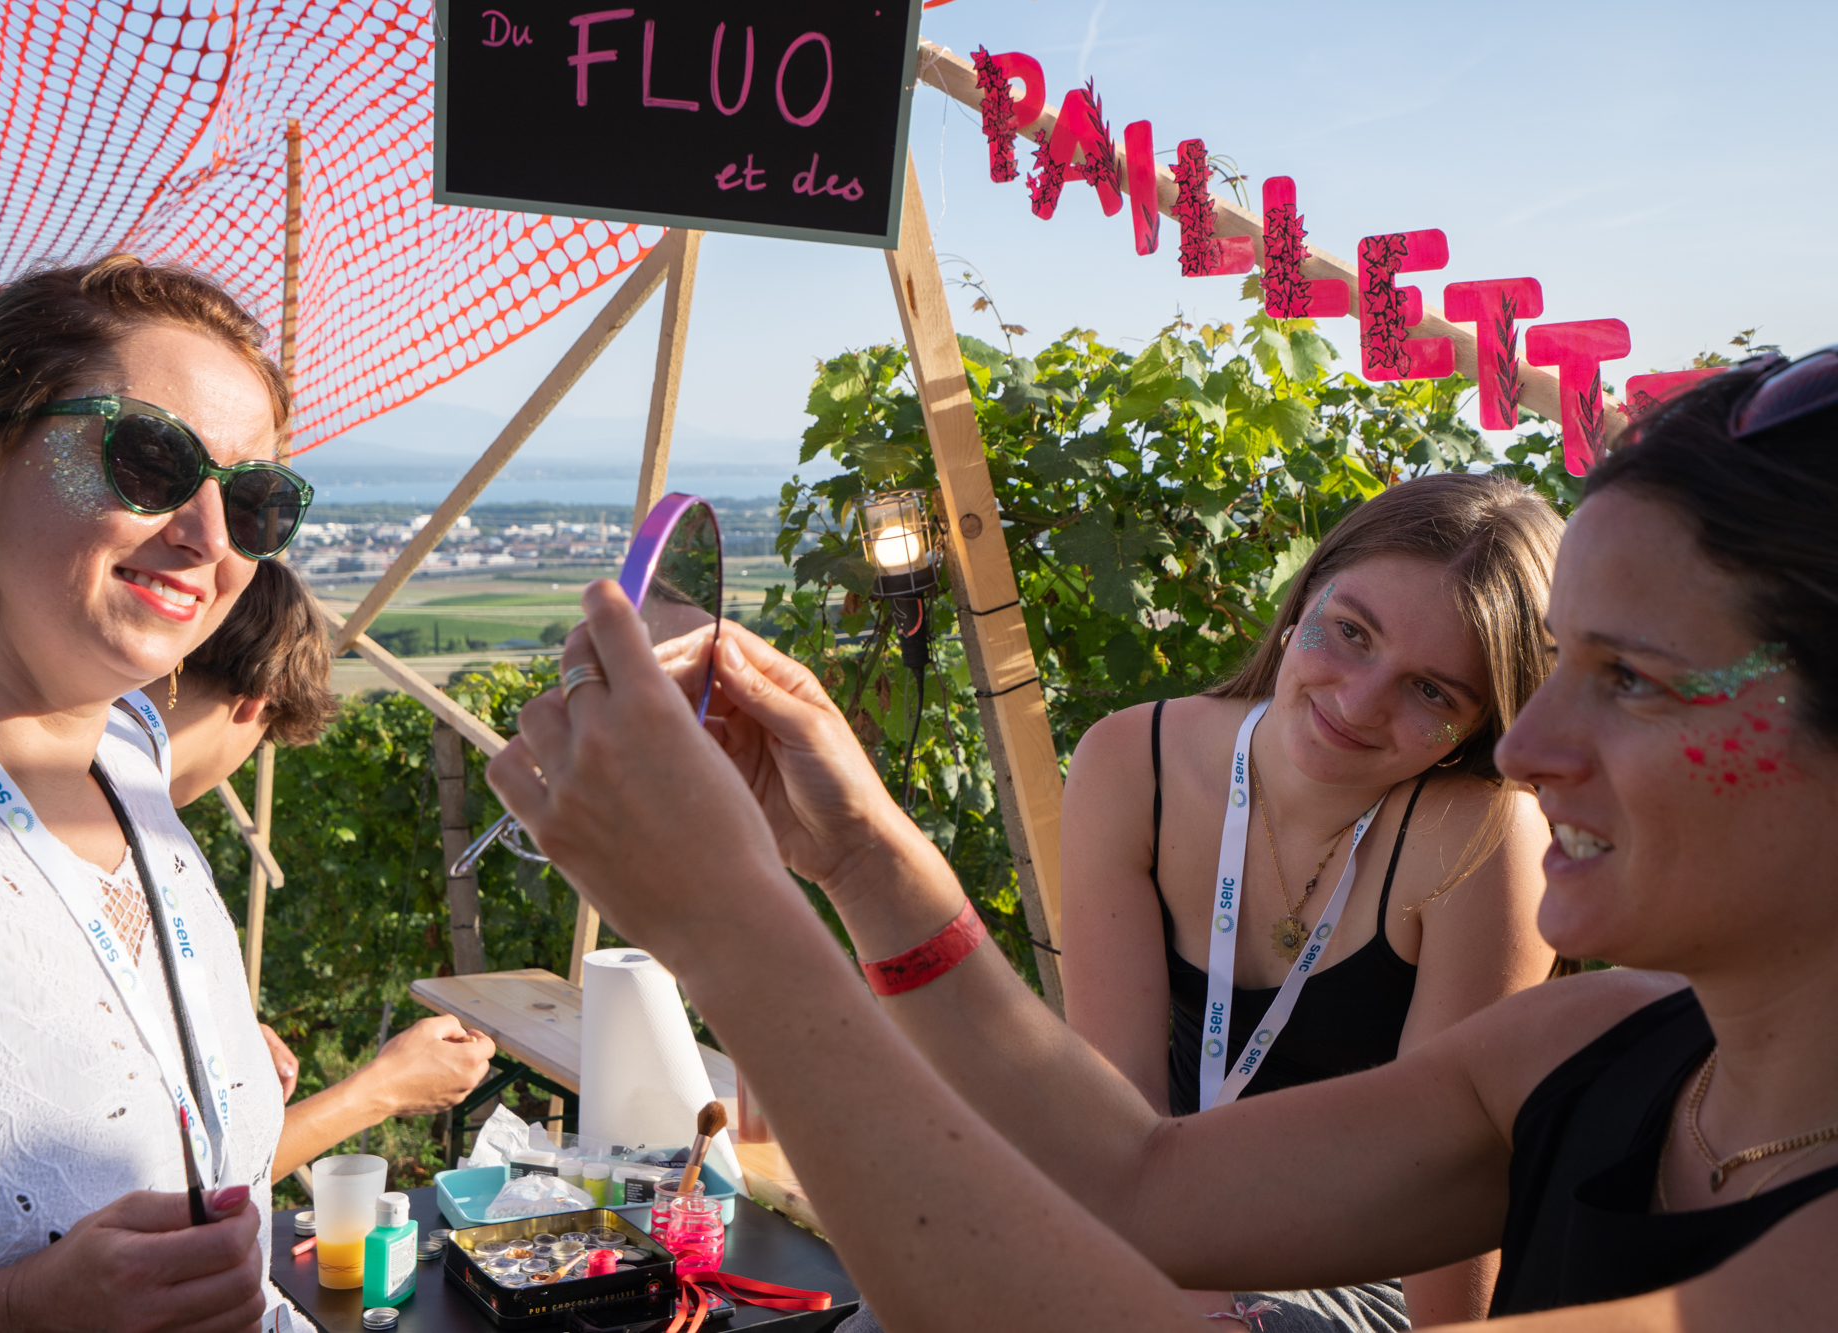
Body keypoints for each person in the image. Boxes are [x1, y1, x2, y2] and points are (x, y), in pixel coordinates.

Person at [490, 355, 1838, 1330]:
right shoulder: (1589, 1046)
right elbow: (1140, 1184)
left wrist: (733, 929)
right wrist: (857, 858)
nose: (1526, 748)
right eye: (1555, 667)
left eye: (1633, 679)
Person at [0, 255, 312, 1331]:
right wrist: (23, 1310)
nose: (210, 537)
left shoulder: (132, 754)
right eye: (149, 458)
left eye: (254, 500)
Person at [1061, 473, 1561, 1326]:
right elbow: (1116, 1119)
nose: (1358, 703)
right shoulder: (1130, 762)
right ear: (1302, 602)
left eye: (1432, 690)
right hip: (1157, 1227)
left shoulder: (1485, 839)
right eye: (1351, 631)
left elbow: (1446, 1192)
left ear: (1483, 725)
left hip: (1367, 1267)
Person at [131, 557, 496, 1179]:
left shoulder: (72, 794)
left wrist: (217, 1032)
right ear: (256, 703)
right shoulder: (135, 848)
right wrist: (383, 1089)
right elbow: (194, 1185)